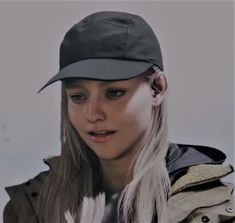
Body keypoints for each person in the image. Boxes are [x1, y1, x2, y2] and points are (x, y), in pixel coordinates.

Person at [3, 11, 235, 223]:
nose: (92, 114)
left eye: (114, 93)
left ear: (157, 88)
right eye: (78, 97)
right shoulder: (30, 208)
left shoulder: (218, 210)